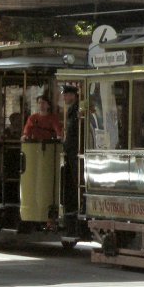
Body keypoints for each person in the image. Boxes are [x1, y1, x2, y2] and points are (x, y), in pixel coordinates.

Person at [61, 85, 80, 235]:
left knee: (75, 180)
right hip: (71, 150)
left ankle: (76, 208)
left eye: (66, 95)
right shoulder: (72, 109)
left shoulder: (77, 109)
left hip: (75, 151)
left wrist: (67, 146)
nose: (64, 98)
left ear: (72, 95)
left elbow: (74, 132)